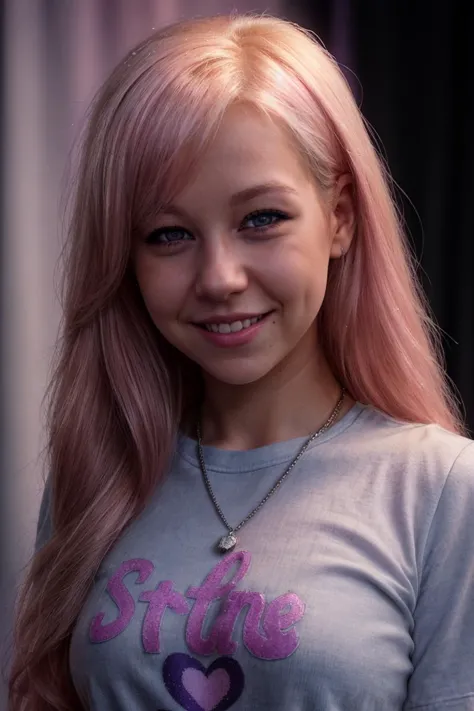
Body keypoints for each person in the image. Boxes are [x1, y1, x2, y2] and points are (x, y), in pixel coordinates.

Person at [8, 11, 474, 711]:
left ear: (340, 217)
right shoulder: (96, 474)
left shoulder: (442, 490)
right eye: (168, 234)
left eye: (261, 219)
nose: (219, 276)